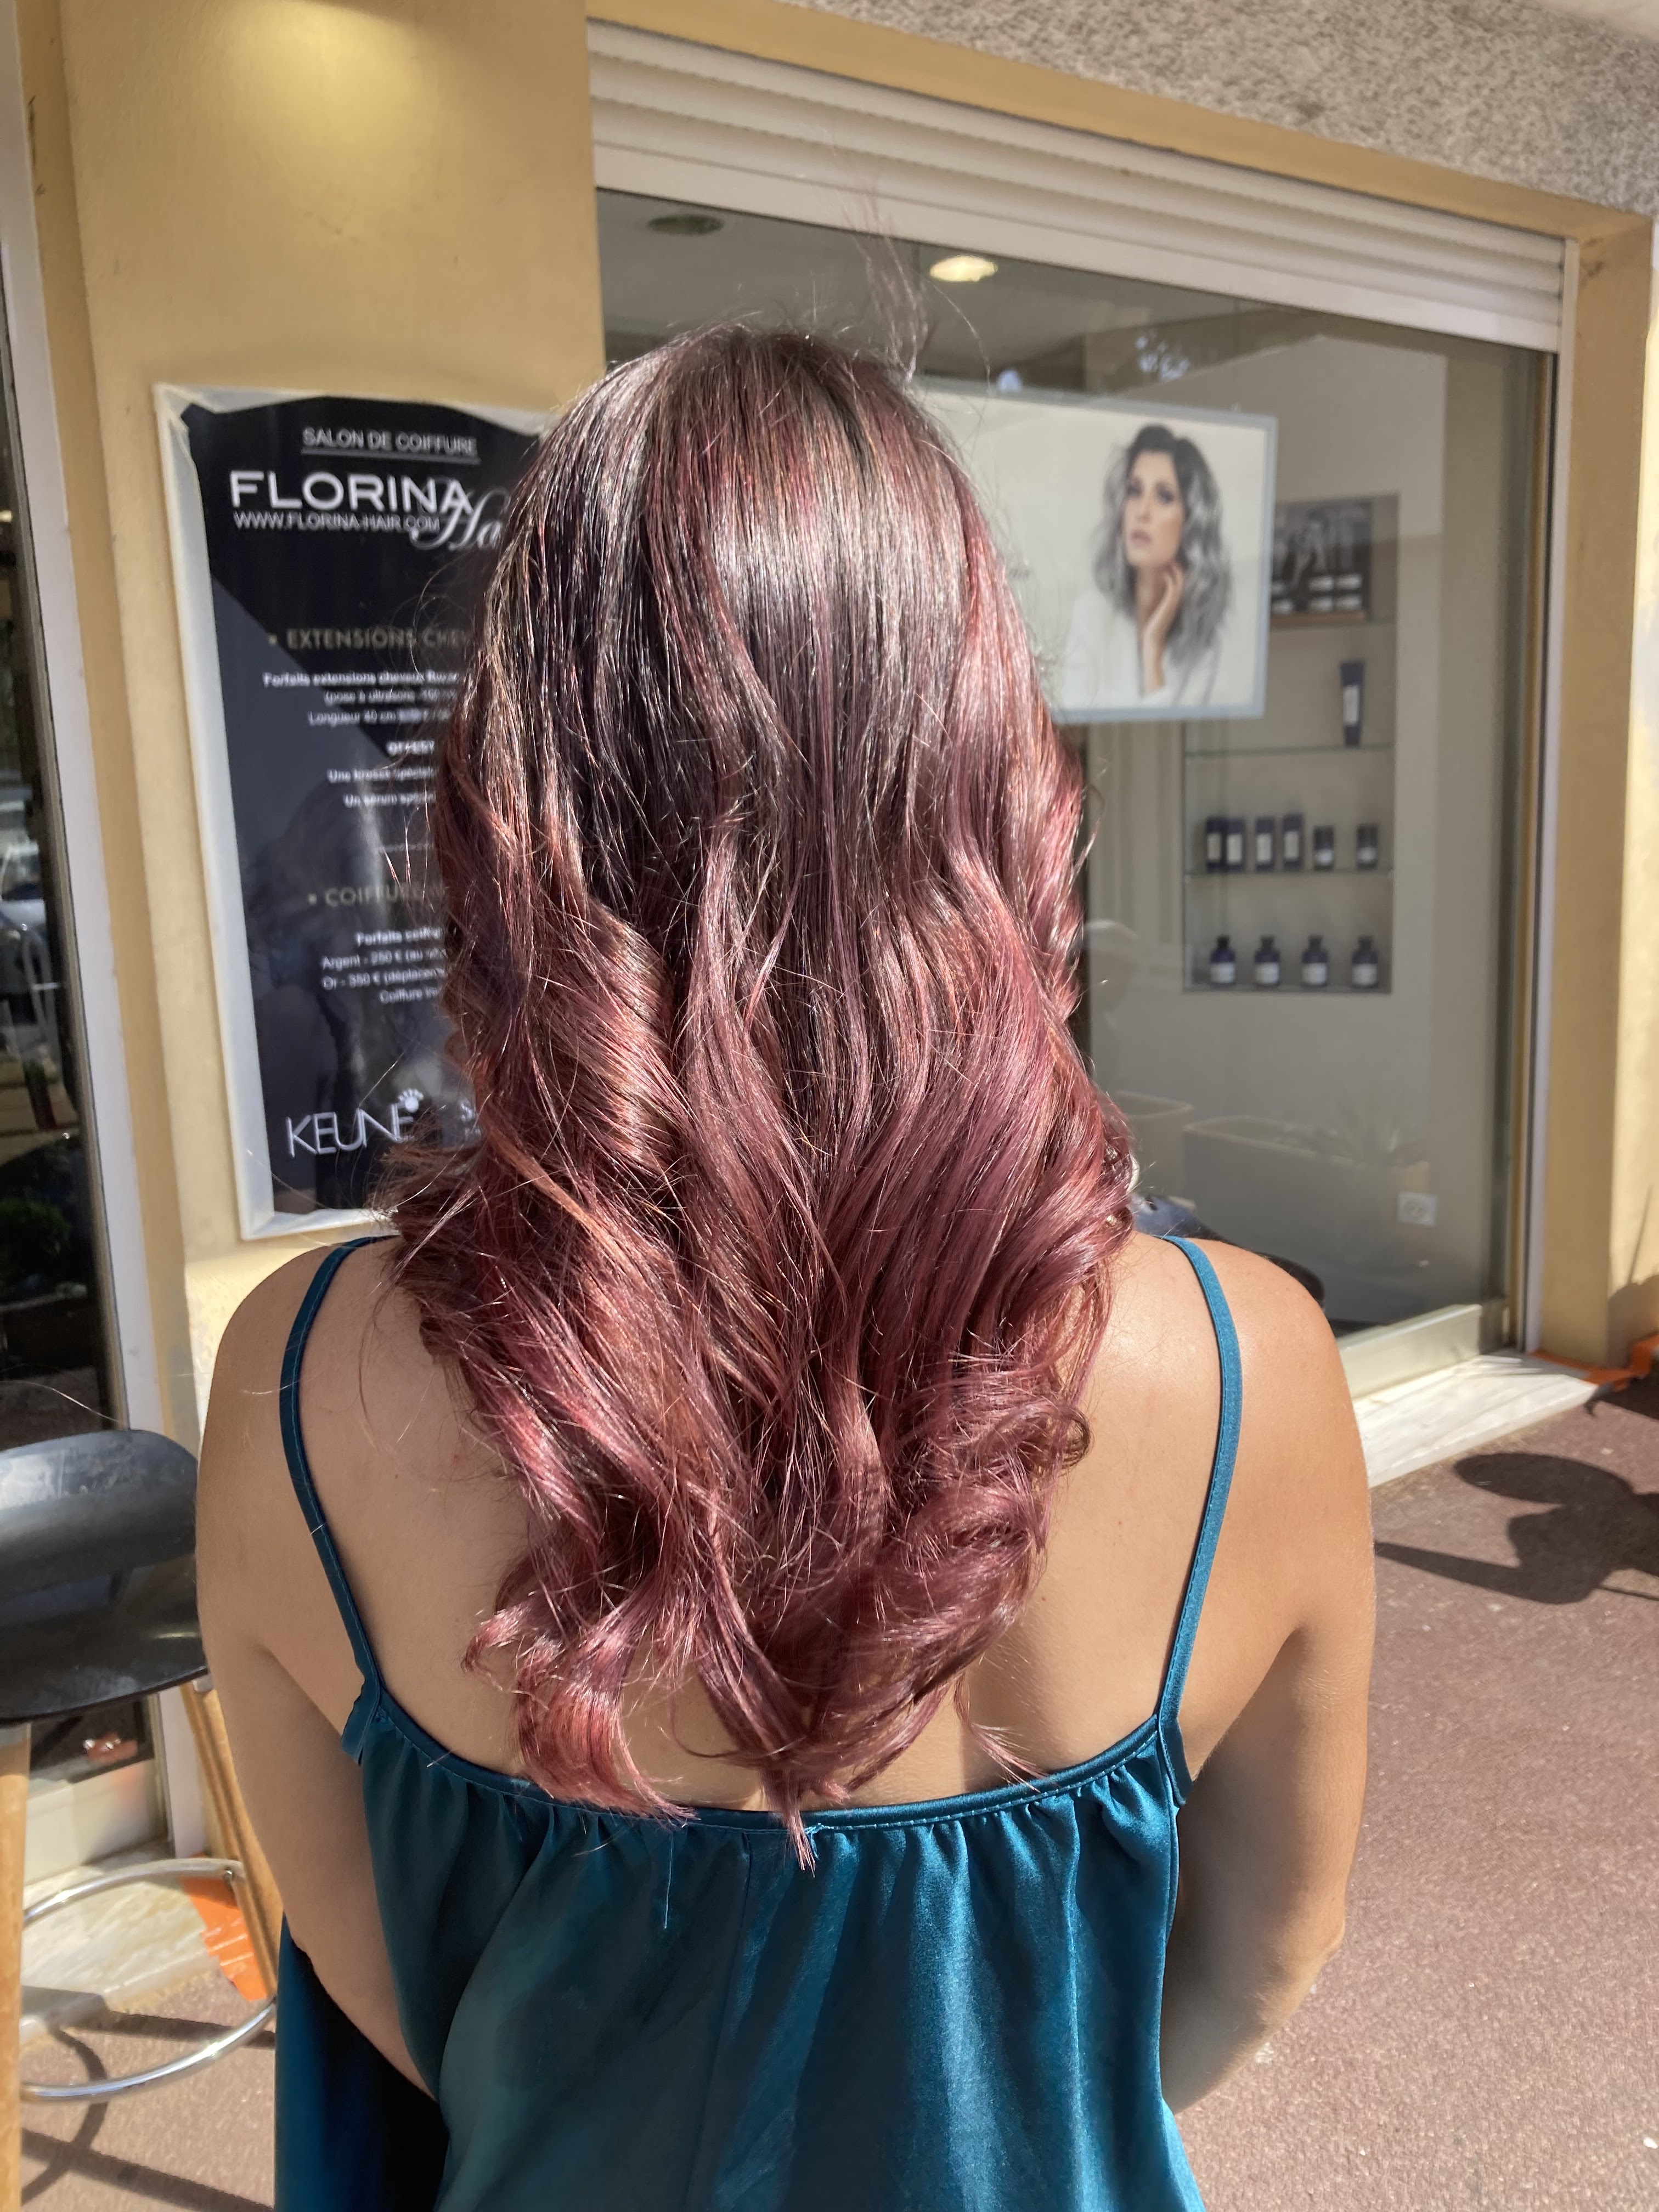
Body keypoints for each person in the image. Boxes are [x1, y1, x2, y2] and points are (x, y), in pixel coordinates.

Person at [198, 328, 1373, 2212]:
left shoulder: (300, 1382)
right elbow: (1254, 1969)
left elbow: (385, 1988)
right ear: (992, 781)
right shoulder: (1244, 1372)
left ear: (509, 809)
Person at [1059, 422, 1233, 714]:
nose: (1142, 511)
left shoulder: (1203, 650)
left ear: (1191, 521)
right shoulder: (1092, 616)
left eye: (1164, 496)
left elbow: (1167, 734)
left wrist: (1153, 648)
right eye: (1135, 491)